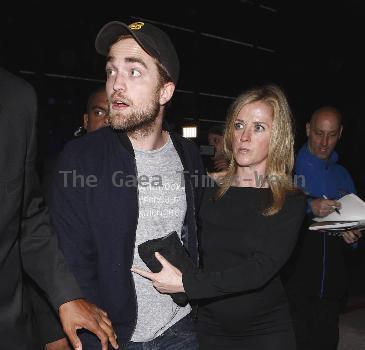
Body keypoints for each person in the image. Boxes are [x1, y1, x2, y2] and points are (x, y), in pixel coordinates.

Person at [50, 21, 204, 349]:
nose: (116, 85)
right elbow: (68, 257)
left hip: (181, 328)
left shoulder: (188, 155)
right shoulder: (80, 158)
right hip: (112, 336)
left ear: (165, 91)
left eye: (134, 71)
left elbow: (195, 234)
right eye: (111, 71)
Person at [132, 84, 307, 350]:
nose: (244, 137)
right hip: (209, 329)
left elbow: (259, 270)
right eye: (238, 125)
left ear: (278, 137)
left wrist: (186, 284)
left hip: (266, 331)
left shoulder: (289, 199)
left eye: (258, 127)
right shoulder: (206, 188)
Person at [0, 67, 118, 350]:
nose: (107, 121)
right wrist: (50, 326)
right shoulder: (62, 169)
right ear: (85, 119)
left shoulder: (18, 98)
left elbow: (27, 222)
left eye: (112, 112)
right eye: (99, 112)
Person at [284, 106, 361, 350]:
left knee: (327, 341)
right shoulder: (288, 167)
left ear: (340, 134)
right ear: (307, 129)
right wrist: (307, 206)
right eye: (319, 133)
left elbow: (354, 222)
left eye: (332, 134)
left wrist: (353, 235)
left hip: (333, 285)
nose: (324, 142)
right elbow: (269, 211)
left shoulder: (343, 175)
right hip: (294, 283)